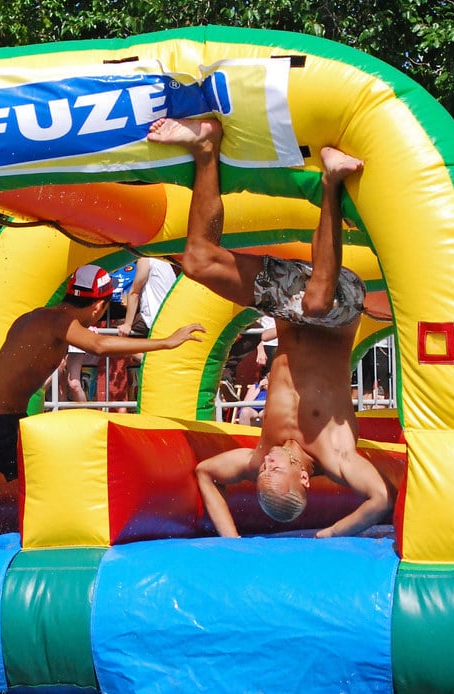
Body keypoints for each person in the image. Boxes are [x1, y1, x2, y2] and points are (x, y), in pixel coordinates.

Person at [146, 116, 392, 538]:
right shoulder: (337, 455)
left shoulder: (260, 455)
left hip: (287, 301)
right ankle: (331, 181)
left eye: (262, 473)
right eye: (274, 472)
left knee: (198, 262)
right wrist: (332, 534)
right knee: (316, 304)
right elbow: (380, 498)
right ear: (303, 479)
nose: (267, 466)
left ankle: (205, 149)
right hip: (340, 304)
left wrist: (232, 541)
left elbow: (206, 473)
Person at [0, 264, 205, 481]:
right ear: (99, 306)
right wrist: (166, 342)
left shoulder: (36, 317)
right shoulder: (59, 321)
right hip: (0, 428)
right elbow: (99, 345)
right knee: (60, 480)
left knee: (53, 475)